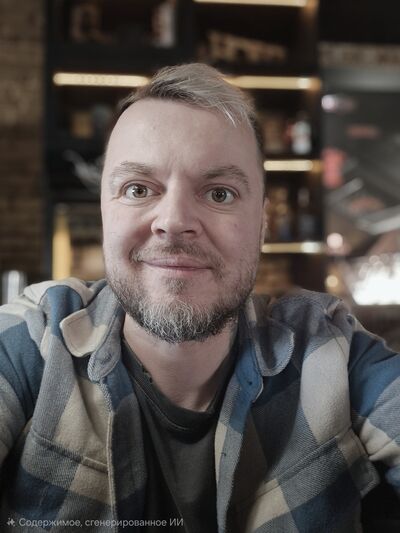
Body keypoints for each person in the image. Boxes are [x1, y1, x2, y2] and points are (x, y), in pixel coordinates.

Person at [0, 63, 399, 533]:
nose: (173, 221)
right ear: (106, 211)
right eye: (137, 189)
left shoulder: (334, 354)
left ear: (263, 223)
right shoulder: (33, 342)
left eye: (220, 193)